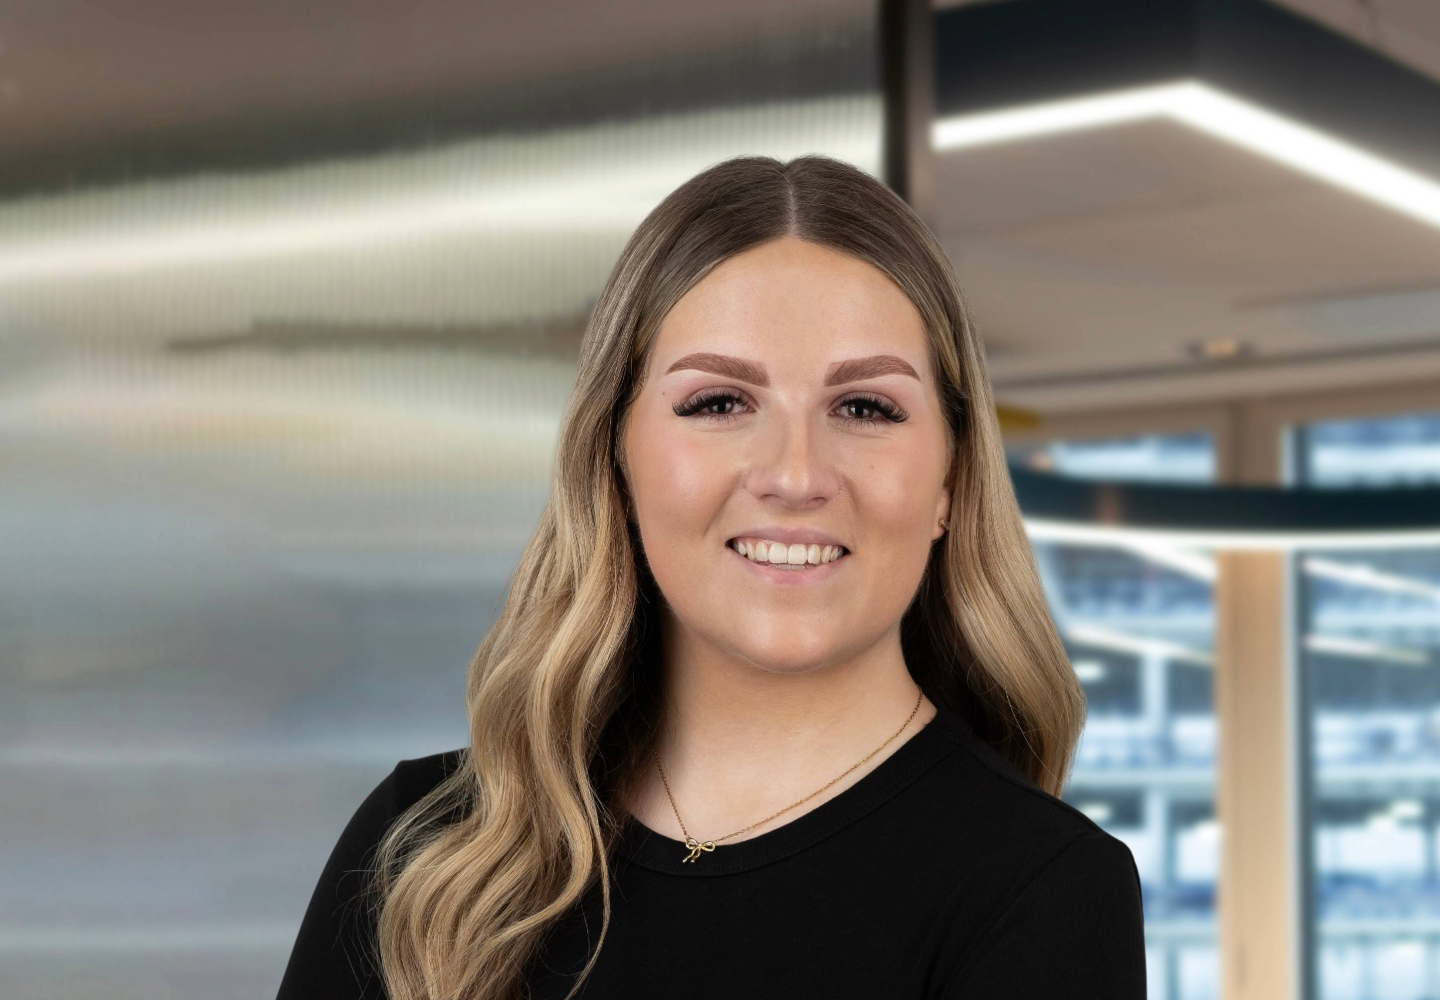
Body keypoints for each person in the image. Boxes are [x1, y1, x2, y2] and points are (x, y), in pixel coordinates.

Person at [276, 154, 1146, 1000]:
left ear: (951, 479)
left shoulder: (1042, 888)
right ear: (616, 463)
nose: (797, 474)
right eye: (719, 403)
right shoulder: (424, 850)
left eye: (866, 407)